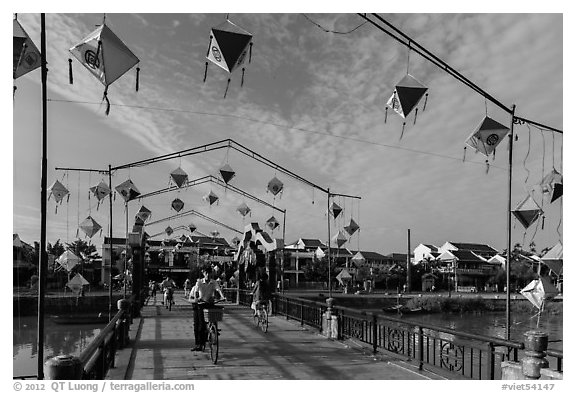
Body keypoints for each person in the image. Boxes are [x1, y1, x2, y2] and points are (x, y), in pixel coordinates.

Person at [188, 266, 225, 351]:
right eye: (206, 273)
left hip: (208, 303)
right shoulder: (199, 282)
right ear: (203, 273)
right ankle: (199, 344)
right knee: (199, 325)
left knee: (214, 313)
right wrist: (197, 298)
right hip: (200, 304)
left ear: (211, 273)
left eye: (209, 273)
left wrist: (223, 297)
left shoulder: (213, 282)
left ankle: (213, 329)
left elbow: (218, 290)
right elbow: (196, 291)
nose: (208, 275)